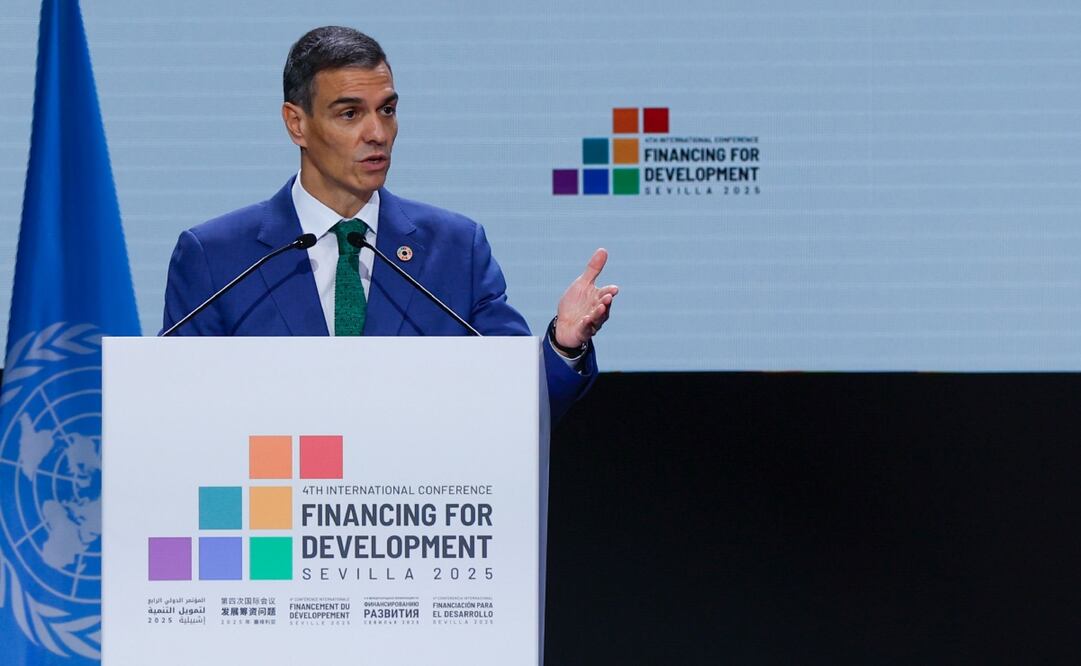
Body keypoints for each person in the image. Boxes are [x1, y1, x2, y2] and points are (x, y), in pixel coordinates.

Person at [161, 26, 617, 421]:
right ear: (296, 124)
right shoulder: (215, 257)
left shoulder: (456, 249)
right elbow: (178, 411)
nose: (377, 133)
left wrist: (563, 344)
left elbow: (519, 406)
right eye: (350, 114)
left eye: (387, 110)